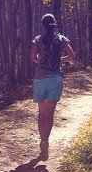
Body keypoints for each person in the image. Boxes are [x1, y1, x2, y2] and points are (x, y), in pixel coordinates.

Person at [31, 13, 75, 161]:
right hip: (55, 79)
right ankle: (46, 141)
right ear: (54, 24)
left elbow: (33, 58)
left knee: (41, 113)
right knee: (49, 114)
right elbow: (72, 56)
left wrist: (41, 61)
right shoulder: (61, 39)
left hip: (40, 79)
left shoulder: (38, 40)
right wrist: (60, 59)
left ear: (42, 25)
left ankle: (42, 141)